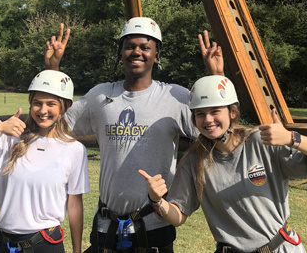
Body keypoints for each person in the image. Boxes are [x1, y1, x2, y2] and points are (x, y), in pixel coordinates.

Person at [44, 17, 223, 253]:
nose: (136, 52)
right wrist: (51, 71)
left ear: (156, 54)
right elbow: (53, 126)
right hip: (106, 227)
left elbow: (219, 130)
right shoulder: (100, 96)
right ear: (121, 52)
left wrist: (216, 76)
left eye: (145, 47)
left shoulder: (175, 97)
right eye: (129, 46)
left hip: (154, 228)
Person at [139, 75, 307, 253]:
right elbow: (179, 216)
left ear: (232, 113)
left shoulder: (261, 142)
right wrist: (157, 200)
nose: (208, 120)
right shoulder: (193, 161)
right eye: (200, 113)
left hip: (279, 247)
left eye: (215, 111)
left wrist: (291, 138)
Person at [0, 70, 89, 253]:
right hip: (4, 244)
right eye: (37, 103)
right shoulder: (10, 139)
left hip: (45, 244)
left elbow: (74, 205)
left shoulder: (75, 150)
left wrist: (77, 250)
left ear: (65, 106)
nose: (43, 110)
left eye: (51, 104)